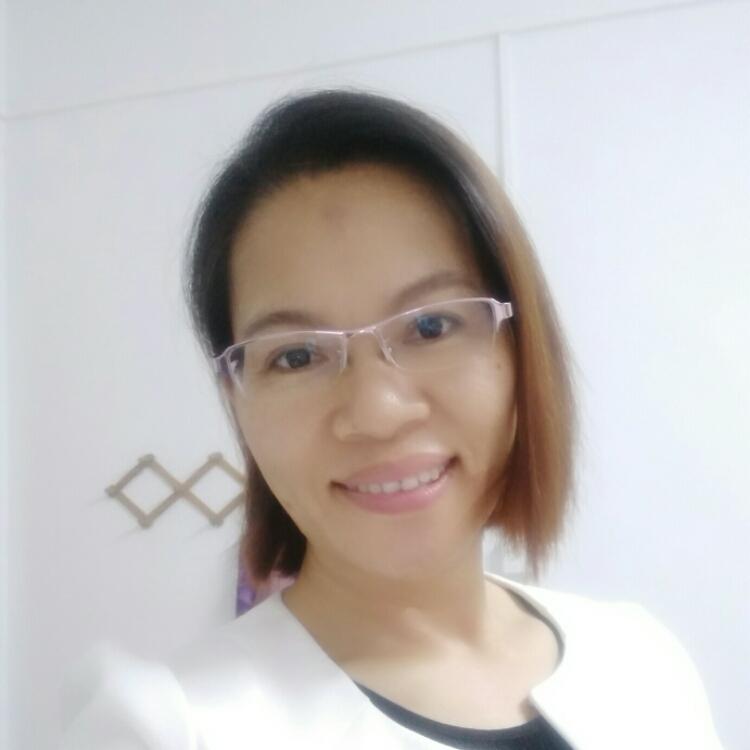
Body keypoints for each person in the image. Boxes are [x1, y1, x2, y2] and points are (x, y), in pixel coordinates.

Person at [60, 89, 724, 750]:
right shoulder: (165, 728)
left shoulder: (642, 660)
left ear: (523, 352)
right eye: (296, 356)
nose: (377, 412)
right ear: (236, 399)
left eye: (431, 326)